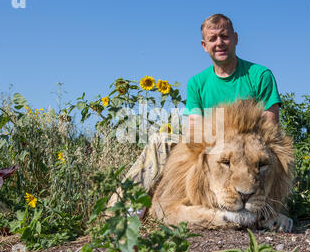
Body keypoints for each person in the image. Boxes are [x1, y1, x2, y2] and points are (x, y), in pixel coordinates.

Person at [113, 14, 283, 214]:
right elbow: (195, 130)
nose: (219, 43)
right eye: (213, 39)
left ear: (235, 38)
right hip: (212, 144)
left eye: (224, 36)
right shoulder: (197, 83)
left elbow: (269, 129)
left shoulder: (259, 75)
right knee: (161, 141)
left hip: (247, 149)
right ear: (204, 45)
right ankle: (123, 209)